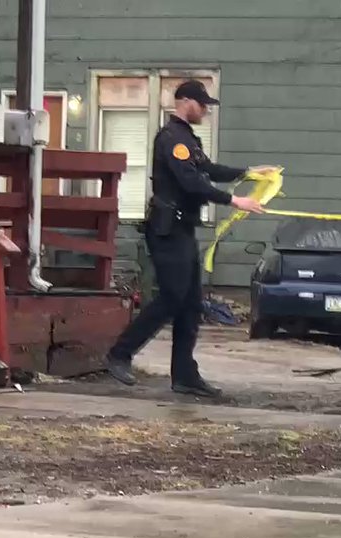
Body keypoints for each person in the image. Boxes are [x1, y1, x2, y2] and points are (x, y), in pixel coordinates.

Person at [106, 79, 273, 397]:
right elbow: (191, 182)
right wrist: (235, 201)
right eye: (203, 104)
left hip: (182, 229)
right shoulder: (172, 139)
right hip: (167, 230)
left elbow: (207, 168)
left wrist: (249, 173)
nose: (206, 110)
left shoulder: (187, 139)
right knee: (172, 296)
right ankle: (120, 353)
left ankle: (184, 375)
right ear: (185, 102)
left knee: (191, 303)